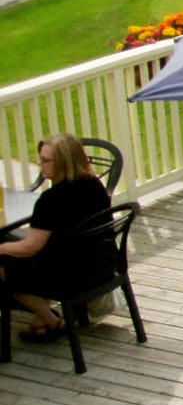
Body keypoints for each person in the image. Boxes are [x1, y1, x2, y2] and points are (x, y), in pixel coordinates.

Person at [0, 134, 115, 341]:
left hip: (71, 276)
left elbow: (30, 248)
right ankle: (40, 320)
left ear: (64, 162)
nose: (41, 165)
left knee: (4, 268)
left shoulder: (51, 200)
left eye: (46, 160)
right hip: (100, 262)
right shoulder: (94, 186)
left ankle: (53, 322)